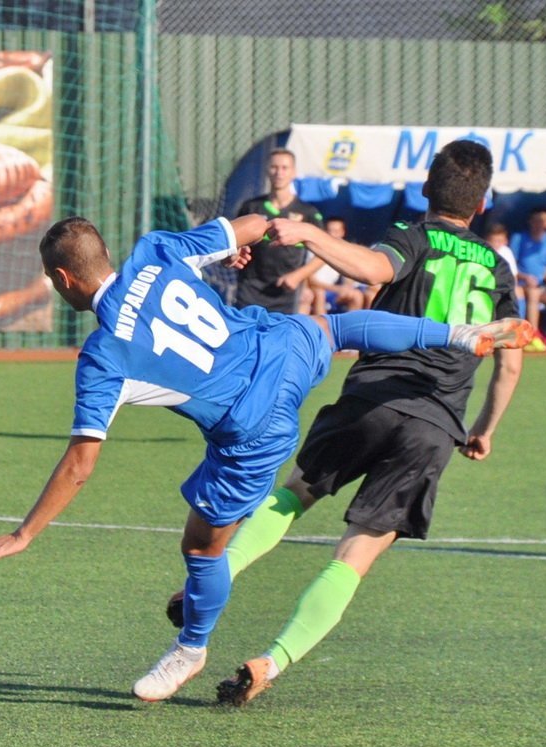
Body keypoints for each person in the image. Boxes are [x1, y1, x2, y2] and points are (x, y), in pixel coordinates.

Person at [0, 211, 533, 703]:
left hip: (253, 426)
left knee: (201, 546)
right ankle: (456, 335)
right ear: (105, 254)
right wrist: (243, 243)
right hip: (281, 348)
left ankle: (190, 650)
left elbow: (79, 466)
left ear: (63, 279)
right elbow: (256, 224)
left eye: (52, 279)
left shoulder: (103, 356)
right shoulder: (156, 251)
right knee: (335, 327)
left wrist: (24, 534)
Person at [161, 140, 526, 706]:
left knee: (293, 496)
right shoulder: (498, 266)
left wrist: (311, 234)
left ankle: (211, 581)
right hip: (435, 423)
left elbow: (374, 268)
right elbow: (511, 358)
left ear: (425, 190)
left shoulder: (414, 235)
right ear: (481, 205)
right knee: (355, 557)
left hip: (371, 399)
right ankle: (271, 661)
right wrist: (484, 428)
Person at [235, 148, 324, 313]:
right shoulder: (251, 207)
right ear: (267, 171)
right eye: (274, 167)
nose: (279, 173)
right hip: (250, 290)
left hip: (285, 292)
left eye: (284, 168)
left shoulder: (308, 212)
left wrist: (299, 276)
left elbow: (323, 253)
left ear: (294, 172)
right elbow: (235, 240)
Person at [278, 217, 368, 315]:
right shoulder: (314, 250)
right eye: (330, 231)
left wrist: (347, 286)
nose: (333, 235)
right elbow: (311, 280)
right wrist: (336, 289)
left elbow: (349, 274)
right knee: (319, 294)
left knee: (357, 295)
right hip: (317, 288)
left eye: (336, 231)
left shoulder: (344, 252)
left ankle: (352, 323)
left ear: (342, 232)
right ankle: (322, 323)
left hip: (332, 290)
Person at [510, 207, 546, 352]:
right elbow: (510, 265)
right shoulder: (518, 238)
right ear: (530, 222)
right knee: (533, 293)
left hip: (541, 286)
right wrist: (525, 277)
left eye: (543, 221)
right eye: (537, 221)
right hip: (522, 284)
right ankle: (533, 335)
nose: (540, 224)